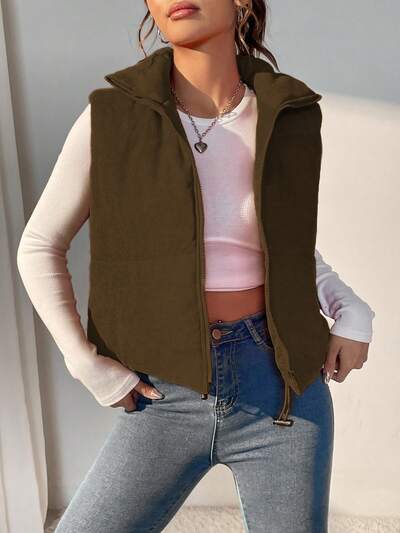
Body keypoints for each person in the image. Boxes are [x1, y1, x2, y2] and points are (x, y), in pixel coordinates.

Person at [17, 1, 375, 531]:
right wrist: (83, 361)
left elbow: (287, 250)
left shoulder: (288, 114)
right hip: (165, 388)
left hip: (282, 385)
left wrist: (351, 309)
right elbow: (40, 244)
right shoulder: (112, 116)